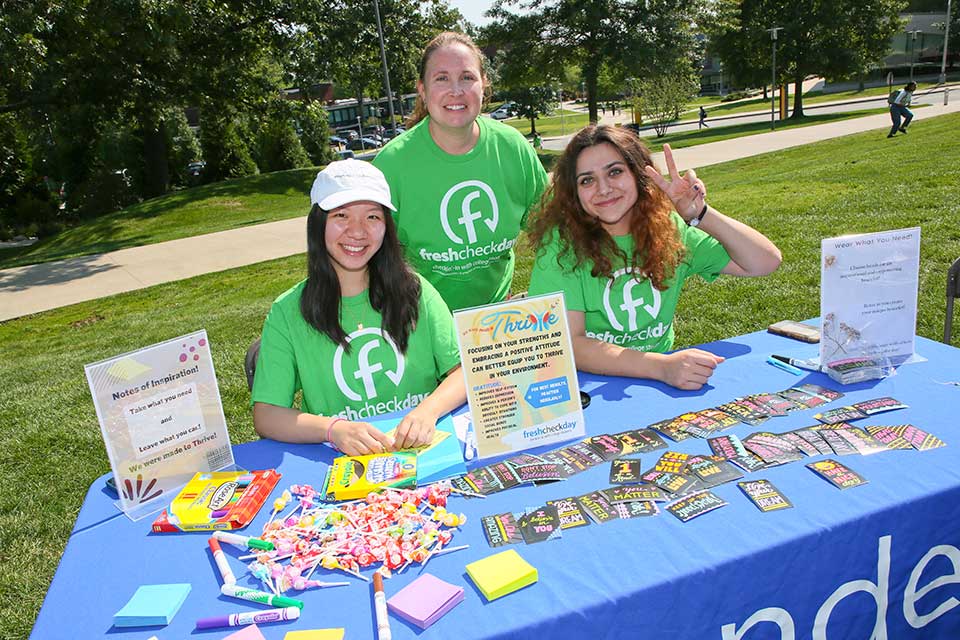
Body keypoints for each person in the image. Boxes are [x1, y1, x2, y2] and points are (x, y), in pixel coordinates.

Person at [527, 125, 782, 390]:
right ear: (574, 193)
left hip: (660, 381)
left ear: (638, 175)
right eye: (587, 180)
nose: (603, 189)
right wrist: (660, 367)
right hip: (592, 383)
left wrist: (700, 214)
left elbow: (765, 262)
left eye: (615, 172)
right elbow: (570, 344)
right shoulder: (562, 245)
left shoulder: (670, 230)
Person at [251, 160, 466, 455]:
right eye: (341, 215)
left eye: (372, 217)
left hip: (422, 454)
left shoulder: (416, 291)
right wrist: (334, 428)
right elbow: (267, 414)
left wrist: (427, 411)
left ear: (386, 226)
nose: (358, 231)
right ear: (318, 224)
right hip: (339, 463)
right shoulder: (288, 311)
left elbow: (463, 372)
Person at [373, 32, 548, 311]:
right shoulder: (392, 165)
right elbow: (371, 262)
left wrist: (543, 295)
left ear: (483, 85)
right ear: (422, 89)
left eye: (467, 77)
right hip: (422, 325)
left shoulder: (512, 148)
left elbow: (554, 234)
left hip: (497, 323)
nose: (456, 90)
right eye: (441, 78)